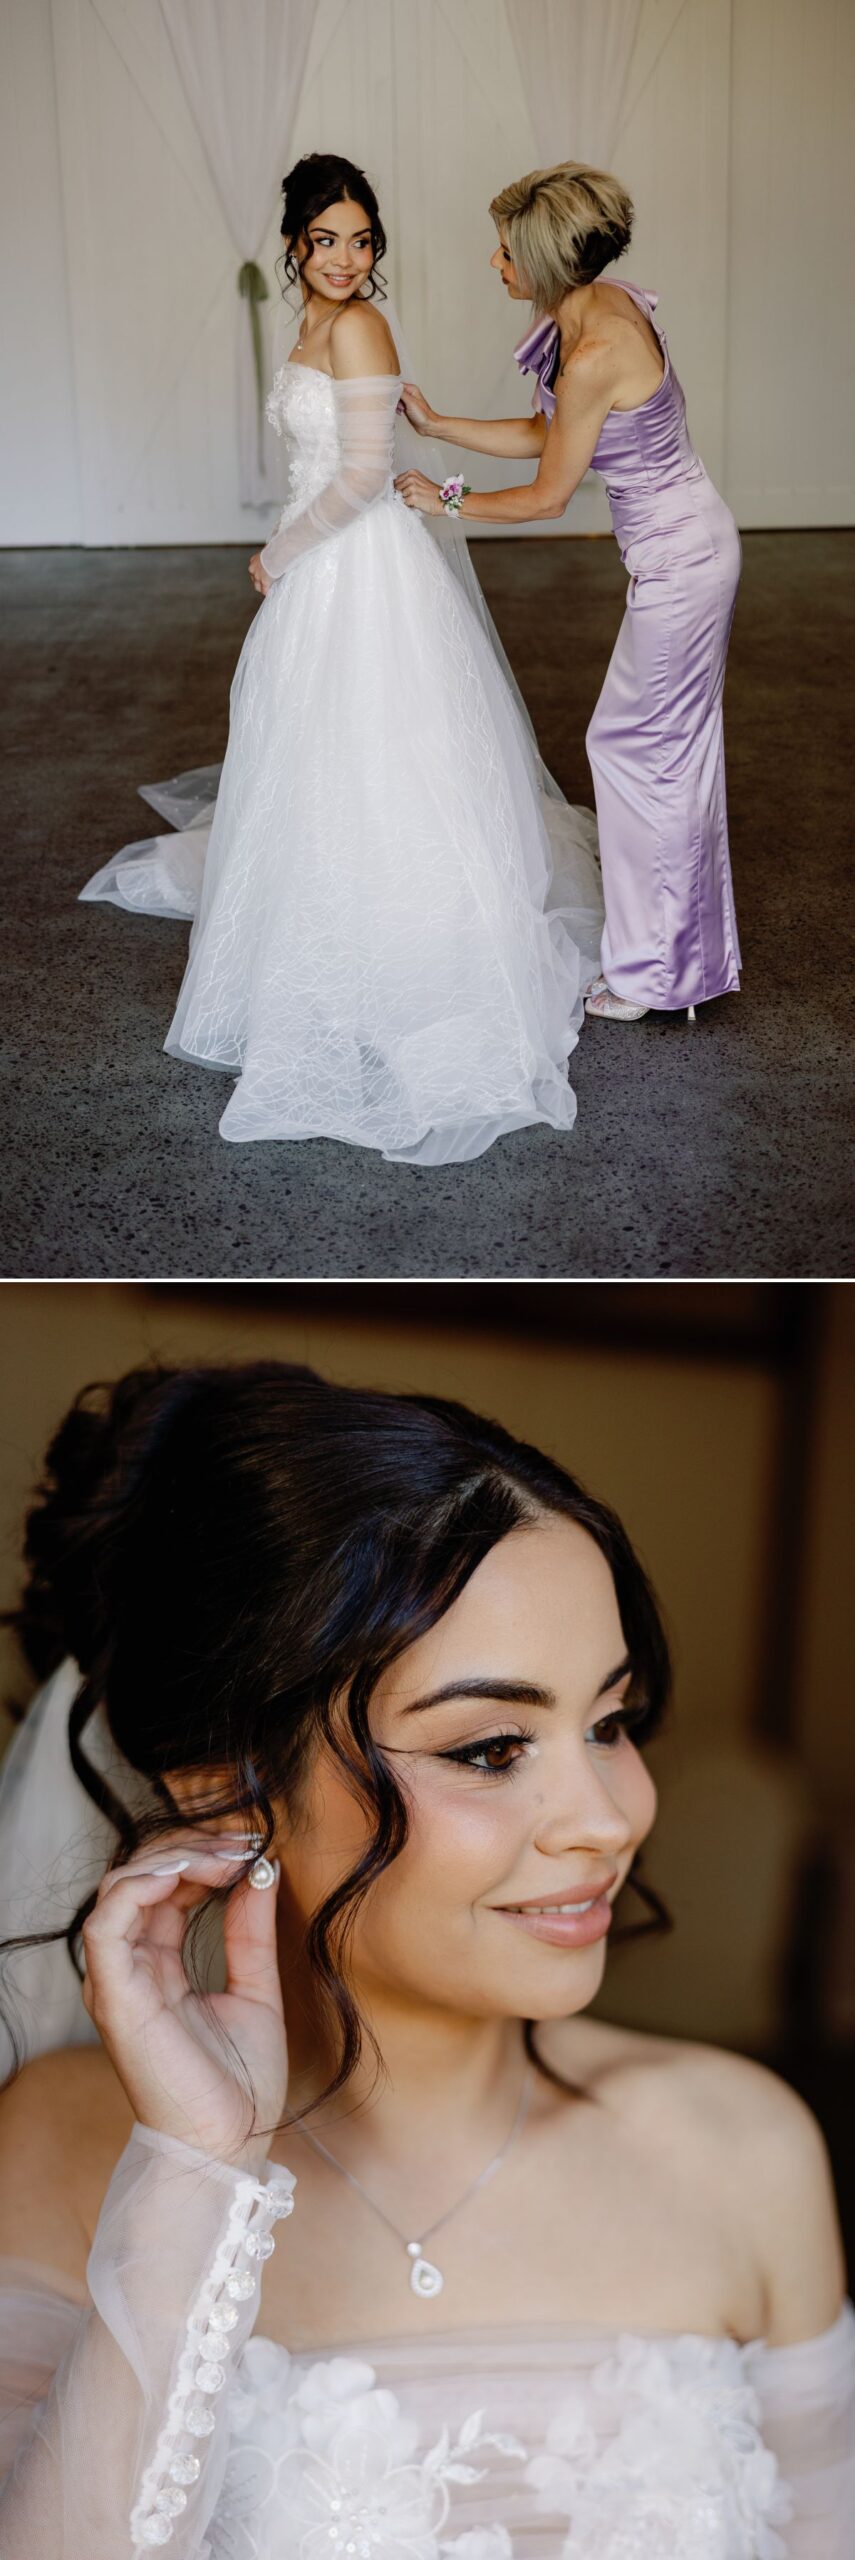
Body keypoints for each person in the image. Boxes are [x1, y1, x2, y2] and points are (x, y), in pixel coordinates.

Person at [0, 1357, 852, 2557]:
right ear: (227, 1785)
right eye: (495, 1748)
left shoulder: (744, 2152)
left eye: (609, 1722)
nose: (607, 1817)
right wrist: (196, 2169)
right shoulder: (65, 2147)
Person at [79, 154, 603, 1164]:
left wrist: (279, 550)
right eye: (327, 240)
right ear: (294, 244)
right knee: (313, 751)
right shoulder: (313, 320)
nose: (346, 259)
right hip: (322, 556)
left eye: (362, 240)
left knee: (378, 747)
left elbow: (366, 472)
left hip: (354, 565)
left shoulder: (361, 324)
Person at [398, 161, 742, 1024]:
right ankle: (676, 962)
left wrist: (443, 499)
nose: (494, 262)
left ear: (546, 260)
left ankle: (649, 977)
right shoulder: (600, 305)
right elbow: (553, 435)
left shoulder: (592, 349)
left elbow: (552, 492)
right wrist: (442, 427)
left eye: (506, 249)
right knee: (663, 755)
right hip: (687, 548)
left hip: (682, 566)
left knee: (636, 753)